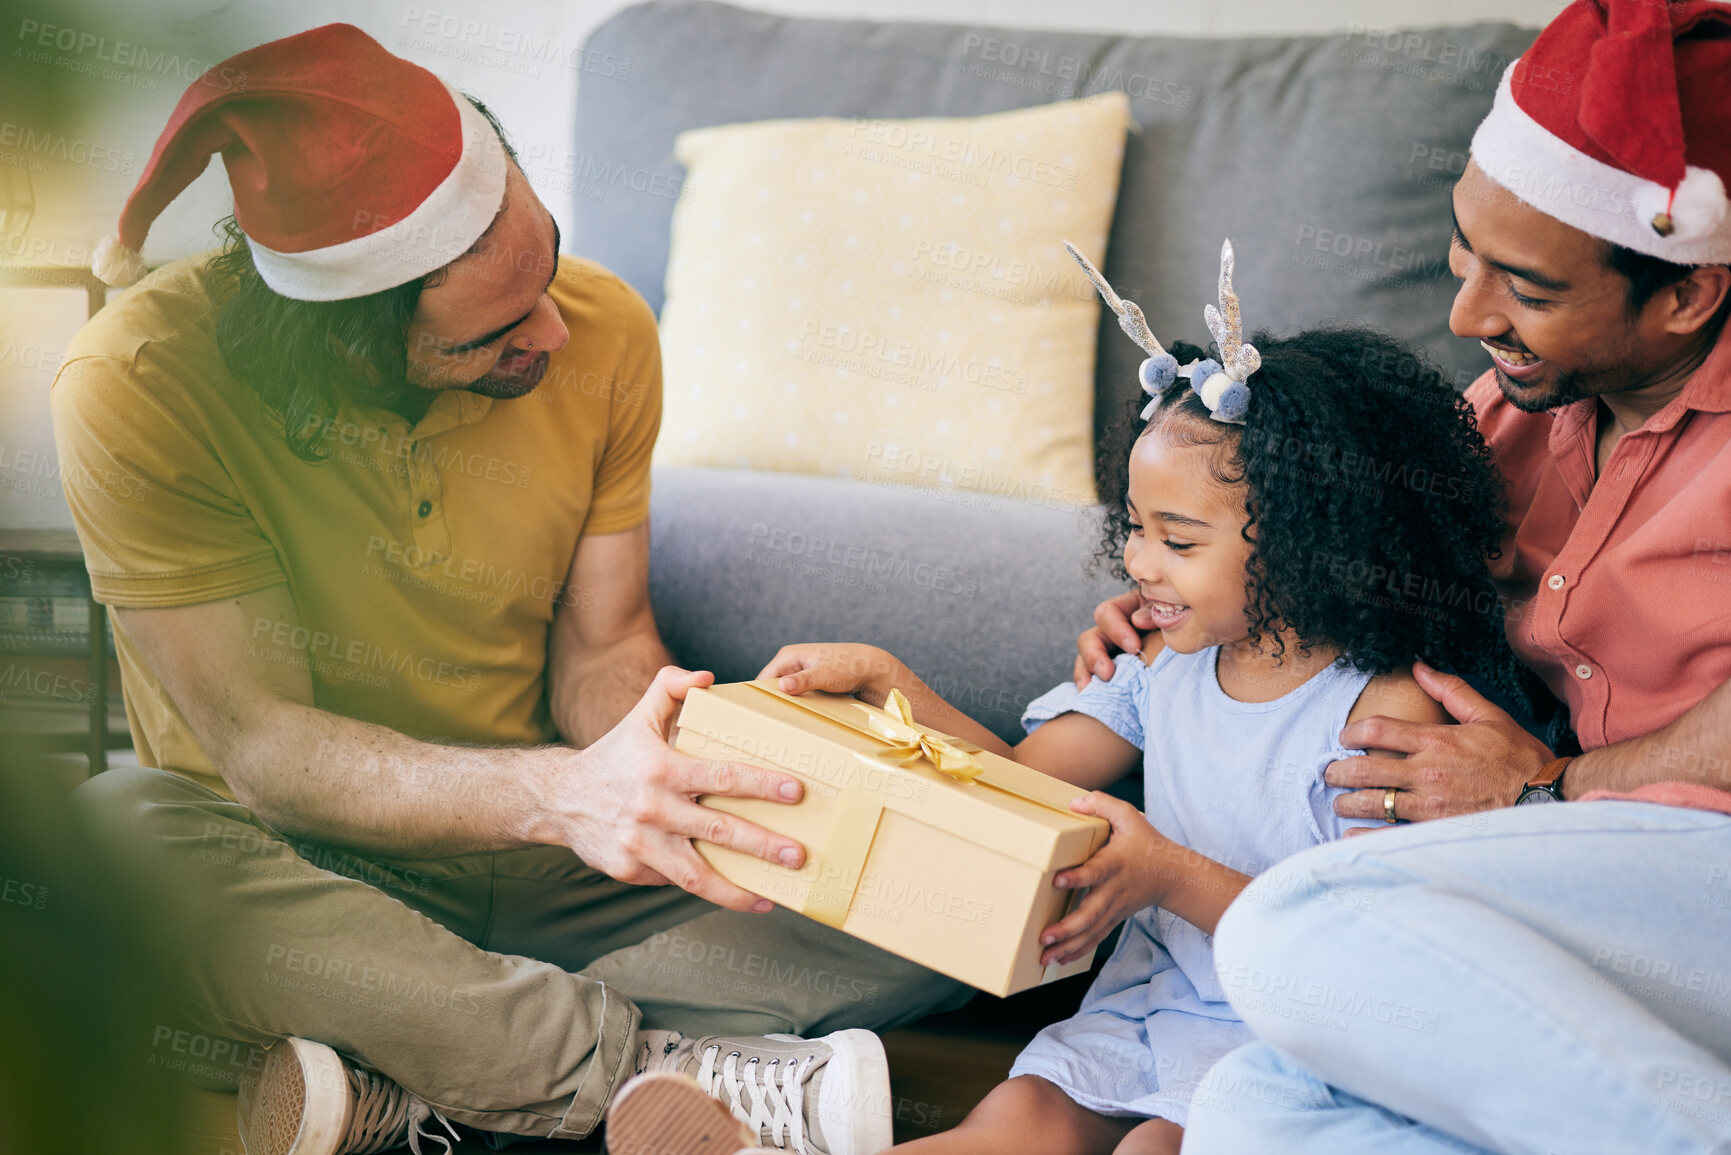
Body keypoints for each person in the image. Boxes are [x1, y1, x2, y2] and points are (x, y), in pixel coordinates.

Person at [53, 25, 966, 1155]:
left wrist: (681, 768)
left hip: (562, 877)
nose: (558, 328)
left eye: (548, 266)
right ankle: (658, 1071)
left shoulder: (608, 330)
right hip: (309, 878)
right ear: (343, 346)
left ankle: (422, 1075)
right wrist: (560, 795)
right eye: (496, 330)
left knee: (946, 895)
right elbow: (264, 747)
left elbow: (604, 645)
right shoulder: (137, 383)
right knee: (105, 842)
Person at [603, 241, 1548, 1155]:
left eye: (1178, 542)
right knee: (1015, 1124)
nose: (1139, 563)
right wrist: (902, 690)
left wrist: (1166, 871)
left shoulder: (1388, 715)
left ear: (1309, 547)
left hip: (1298, 1033)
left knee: (1158, 1144)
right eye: (1133, 528)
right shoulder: (1155, 661)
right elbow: (1019, 782)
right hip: (1155, 999)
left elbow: (1355, 949)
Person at [1075, 3, 1731, 1151]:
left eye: (1525, 289)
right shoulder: (1506, 415)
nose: (1466, 315)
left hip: (1690, 871)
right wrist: (1190, 602)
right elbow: (1337, 555)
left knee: (1294, 933)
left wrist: (1549, 787)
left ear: (1687, 291)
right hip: (1552, 884)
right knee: (1248, 1107)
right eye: (1462, 256)